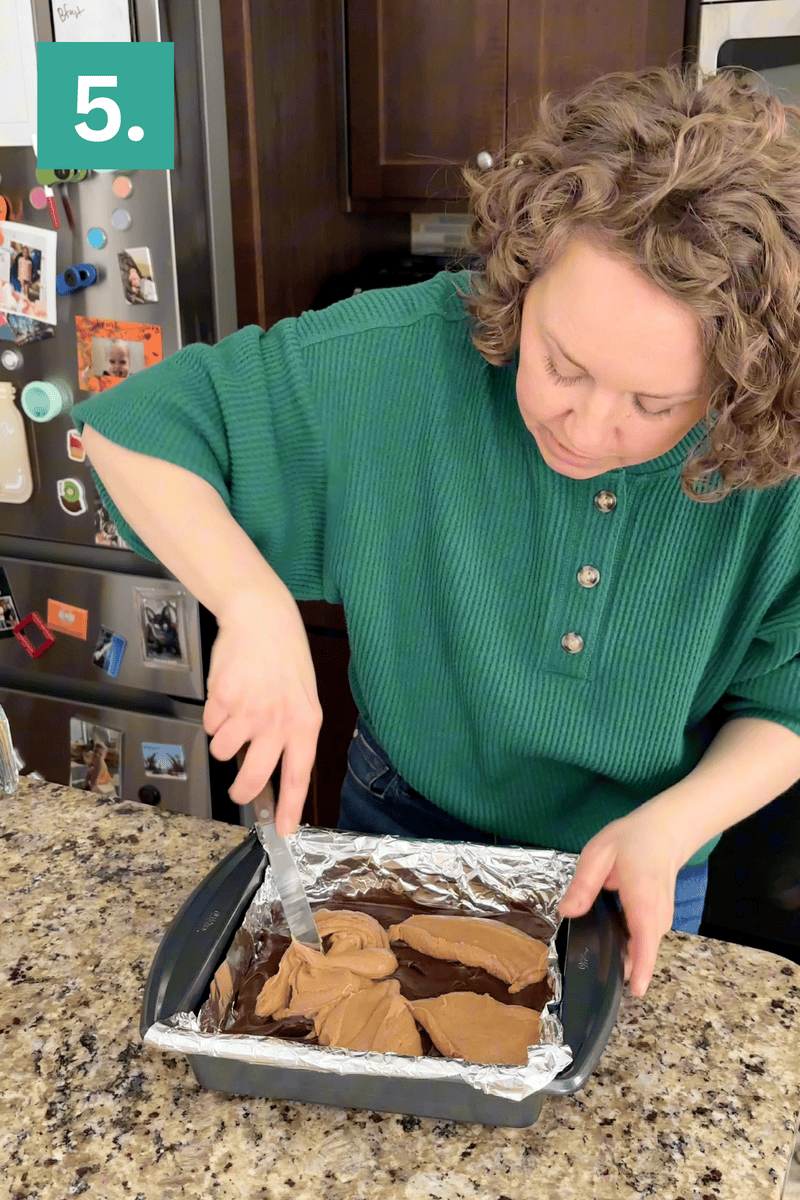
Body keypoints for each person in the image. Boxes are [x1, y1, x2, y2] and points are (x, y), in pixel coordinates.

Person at [73, 65, 800, 999]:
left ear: (738, 384)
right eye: (561, 364)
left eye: (654, 405)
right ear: (522, 280)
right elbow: (134, 429)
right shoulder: (404, 355)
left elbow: (787, 702)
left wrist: (674, 825)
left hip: (640, 851)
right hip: (402, 813)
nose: (586, 429)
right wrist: (254, 607)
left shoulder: (776, 447)